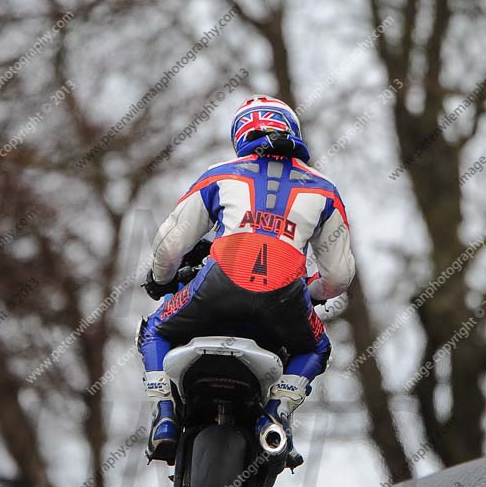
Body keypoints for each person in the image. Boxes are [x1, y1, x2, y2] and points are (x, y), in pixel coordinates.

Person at [137, 95, 355, 465]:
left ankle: (165, 418)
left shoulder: (220, 174)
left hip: (216, 287)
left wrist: (161, 280)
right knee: (316, 348)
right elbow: (339, 277)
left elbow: (170, 245)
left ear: (240, 134)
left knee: (154, 330)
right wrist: (311, 293)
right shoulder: (325, 191)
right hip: (285, 299)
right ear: (293, 130)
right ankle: (276, 414)